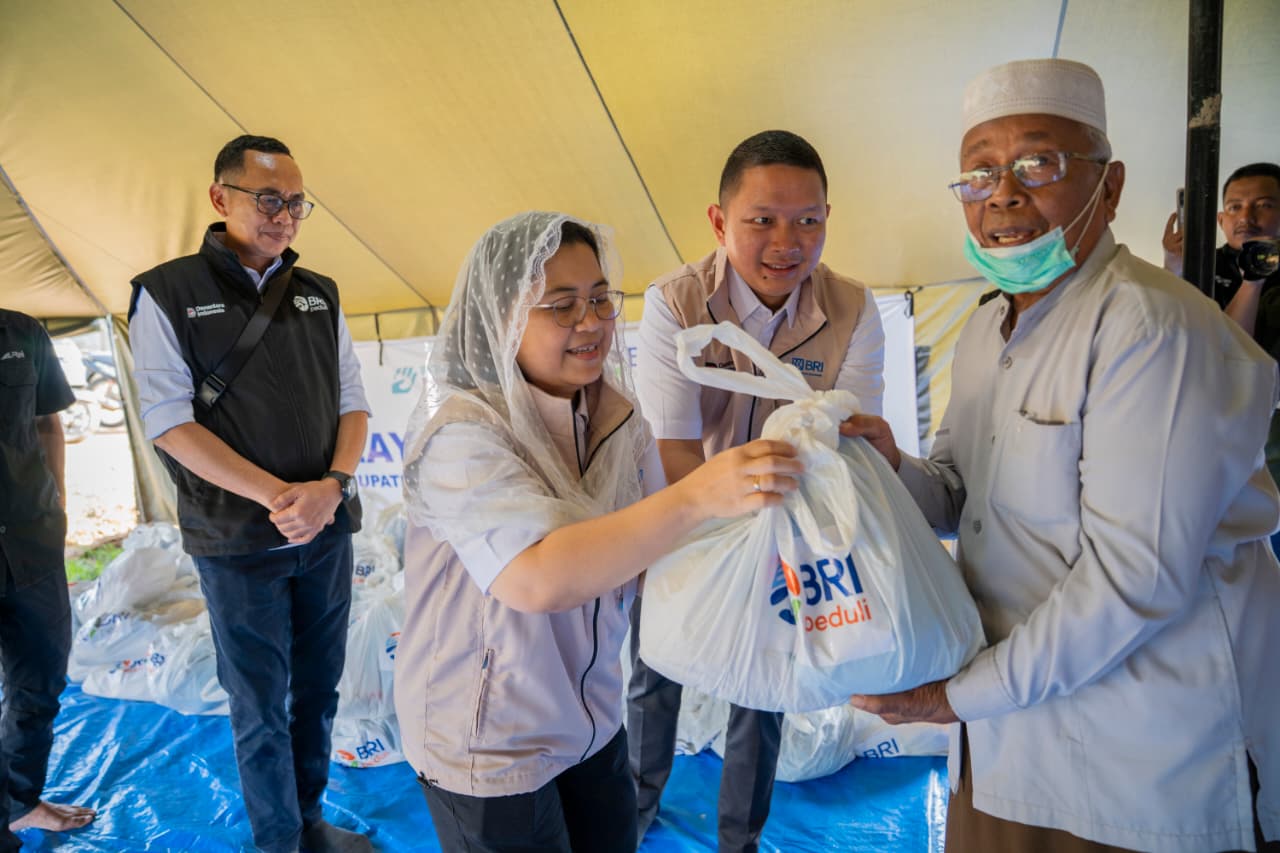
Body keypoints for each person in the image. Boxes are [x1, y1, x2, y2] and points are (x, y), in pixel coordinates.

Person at [844, 58, 1280, 852]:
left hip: (1141, 754)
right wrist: (887, 464)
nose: (1003, 194)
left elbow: (1134, 577)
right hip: (1007, 735)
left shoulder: (1152, 328)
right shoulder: (986, 330)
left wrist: (956, 697)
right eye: (979, 173)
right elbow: (959, 492)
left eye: (1037, 163)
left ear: (1110, 187)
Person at [395, 211, 801, 853]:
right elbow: (537, 578)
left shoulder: (618, 418)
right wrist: (697, 494)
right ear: (501, 318)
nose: (590, 323)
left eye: (600, 299)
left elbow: (653, 550)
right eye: (562, 306)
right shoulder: (463, 437)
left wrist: (766, 539)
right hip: (488, 737)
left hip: (591, 717)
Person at [628, 129, 885, 852]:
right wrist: (724, 531)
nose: (786, 242)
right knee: (653, 670)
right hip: (684, 516)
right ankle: (634, 811)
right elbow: (673, 448)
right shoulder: (676, 304)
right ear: (719, 221)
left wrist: (772, 535)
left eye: (808, 220)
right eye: (762, 220)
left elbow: (851, 439)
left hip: (789, 524)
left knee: (765, 683)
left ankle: (739, 838)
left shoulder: (853, 309)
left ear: (828, 218)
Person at [128, 135, 372, 853]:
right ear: (220, 197)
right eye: (268, 199)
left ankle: (309, 820)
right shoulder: (166, 292)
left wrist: (332, 487)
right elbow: (168, 422)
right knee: (259, 704)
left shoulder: (319, 292)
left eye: (295, 203)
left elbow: (353, 402)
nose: (284, 215)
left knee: (319, 690)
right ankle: (278, 840)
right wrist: (281, 498)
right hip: (237, 541)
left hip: (324, 529)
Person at [0, 310, 96, 850]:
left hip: (31, 542)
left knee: (39, 684)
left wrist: (56, 502)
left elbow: (46, 422)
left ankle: (21, 803)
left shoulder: (22, 332)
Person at [1161, 162, 1280, 350]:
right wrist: (1171, 269)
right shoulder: (1202, 265)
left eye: (1264, 205)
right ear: (1221, 220)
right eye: (1235, 207)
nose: (1245, 217)